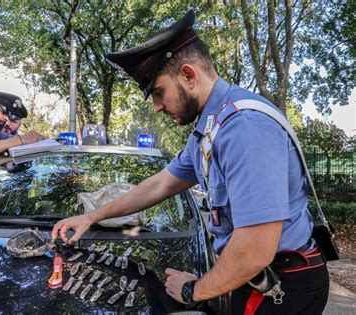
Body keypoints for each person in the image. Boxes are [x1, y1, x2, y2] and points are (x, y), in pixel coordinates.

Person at [52, 10, 329, 314]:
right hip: (257, 282)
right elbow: (161, 183)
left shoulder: (243, 127)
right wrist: (92, 216)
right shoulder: (210, 128)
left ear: (188, 75)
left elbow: (254, 251)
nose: (157, 107)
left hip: (280, 290)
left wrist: (192, 290)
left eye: (158, 92)